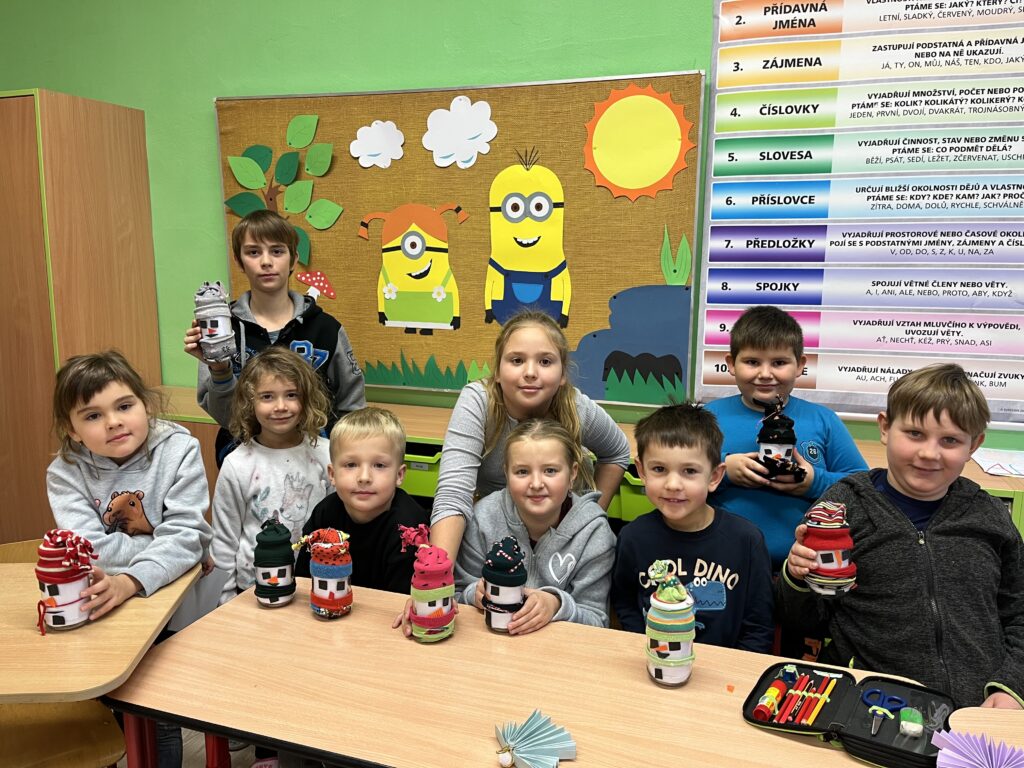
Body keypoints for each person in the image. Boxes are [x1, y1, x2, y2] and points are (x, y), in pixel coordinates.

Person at [777, 363, 1024, 709]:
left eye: (950, 440)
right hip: (872, 705)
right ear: (885, 427)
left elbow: (1018, 613)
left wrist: (1010, 687)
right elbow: (803, 622)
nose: (929, 453)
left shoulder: (989, 516)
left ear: (974, 445)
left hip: (979, 711)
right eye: (915, 434)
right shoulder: (842, 507)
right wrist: (797, 576)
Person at [48, 350, 213, 767]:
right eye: (93, 415)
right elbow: (88, 548)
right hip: (99, 604)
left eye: (124, 406)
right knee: (106, 706)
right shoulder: (65, 472)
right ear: (71, 430)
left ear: (145, 405)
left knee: (156, 714)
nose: (113, 422)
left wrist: (130, 580)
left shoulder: (179, 449)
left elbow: (187, 534)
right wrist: (175, 550)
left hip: (167, 605)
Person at [429, 309, 631, 562]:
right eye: (517, 360)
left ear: (562, 374)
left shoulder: (575, 406)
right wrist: (437, 573)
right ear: (497, 372)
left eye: (545, 362)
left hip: (563, 533)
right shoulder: (478, 402)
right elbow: (453, 494)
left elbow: (616, 452)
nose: (530, 372)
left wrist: (586, 522)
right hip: (498, 528)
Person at [183, 209, 365, 463]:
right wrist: (219, 369)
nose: (266, 262)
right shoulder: (222, 330)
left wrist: (342, 458)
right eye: (253, 252)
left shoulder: (326, 329)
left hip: (315, 461)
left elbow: (352, 408)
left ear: (293, 259)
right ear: (239, 261)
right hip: (244, 462)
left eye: (277, 251)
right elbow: (226, 418)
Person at [705, 305, 867, 569]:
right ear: (731, 364)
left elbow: (864, 488)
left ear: (800, 365)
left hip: (805, 567)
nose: (765, 374)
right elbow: (679, 476)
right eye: (752, 362)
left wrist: (814, 482)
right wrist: (724, 471)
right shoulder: (707, 418)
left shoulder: (823, 420)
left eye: (779, 363)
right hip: (721, 565)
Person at [611, 403, 774, 651]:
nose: (673, 484)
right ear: (642, 471)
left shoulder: (747, 541)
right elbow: (624, 603)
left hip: (725, 669)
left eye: (689, 471)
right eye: (659, 469)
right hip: (655, 660)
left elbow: (759, 627)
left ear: (714, 477)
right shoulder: (633, 537)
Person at [454, 419, 616, 633]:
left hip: (557, 648)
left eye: (550, 471)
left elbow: (597, 621)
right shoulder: (483, 518)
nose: (537, 484)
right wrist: (474, 593)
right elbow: (456, 594)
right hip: (492, 643)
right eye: (522, 472)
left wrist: (557, 604)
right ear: (506, 473)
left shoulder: (594, 532)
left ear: (572, 473)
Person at [210, 347, 332, 605]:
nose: (281, 406)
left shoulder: (327, 454)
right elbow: (224, 541)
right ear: (249, 402)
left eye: (291, 395)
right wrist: (225, 602)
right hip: (252, 592)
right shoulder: (237, 465)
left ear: (306, 398)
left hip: (317, 586)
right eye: (267, 396)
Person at [295, 407, 429, 592]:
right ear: (332, 474)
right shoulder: (324, 513)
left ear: (399, 475)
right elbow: (303, 581)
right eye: (351, 465)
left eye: (379, 465)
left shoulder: (410, 530)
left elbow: (404, 600)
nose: (364, 477)